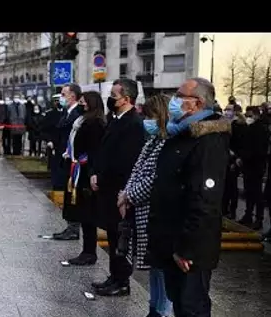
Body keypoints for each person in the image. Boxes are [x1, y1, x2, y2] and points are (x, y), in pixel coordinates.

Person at [148, 78, 230, 317]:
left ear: (196, 103)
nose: (173, 100)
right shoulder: (182, 133)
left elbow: (204, 200)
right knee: (180, 303)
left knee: (192, 306)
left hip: (190, 248)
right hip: (171, 239)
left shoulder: (208, 139)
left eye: (179, 95)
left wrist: (187, 250)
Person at [117, 95, 173, 317]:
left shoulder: (167, 143)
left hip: (154, 211)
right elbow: (137, 171)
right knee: (153, 266)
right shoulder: (152, 141)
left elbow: (153, 179)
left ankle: (163, 310)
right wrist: (125, 193)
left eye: (150, 116)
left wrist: (129, 196)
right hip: (142, 211)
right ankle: (154, 307)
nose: (146, 121)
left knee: (162, 267)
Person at [90, 78, 145, 296]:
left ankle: (122, 281)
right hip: (107, 187)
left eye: (114, 96)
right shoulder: (116, 119)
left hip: (120, 191)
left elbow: (125, 162)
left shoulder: (133, 124)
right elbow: (104, 152)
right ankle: (114, 276)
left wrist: (103, 180)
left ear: (127, 99)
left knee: (121, 238)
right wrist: (95, 173)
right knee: (113, 236)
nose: (110, 100)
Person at [63, 91, 106, 266]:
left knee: (88, 213)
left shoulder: (94, 123)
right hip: (78, 168)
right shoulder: (81, 121)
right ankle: (86, 250)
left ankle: (89, 252)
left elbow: (94, 149)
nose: (81, 105)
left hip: (87, 171)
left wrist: (89, 168)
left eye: (83, 102)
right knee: (82, 211)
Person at [52, 84, 84, 241]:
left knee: (72, 194)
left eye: (64, 94)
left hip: (72, 161)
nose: (61, 97)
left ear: (72, 96)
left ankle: (73, 228)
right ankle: (70, 226)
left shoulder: (78, 113)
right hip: (64, 158)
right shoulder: (66, 112)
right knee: (67, 193)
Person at [236, 106, 268, 230]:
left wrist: (243, 158)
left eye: (249, 116)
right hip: (249, 166)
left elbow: (256, 149)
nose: (248, 118)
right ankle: (248, 215)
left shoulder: (260, 129)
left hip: (256, 166)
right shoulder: (252, 128)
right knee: (249, 192)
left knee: (256, 193)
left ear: (255, 115)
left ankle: (258, 219)